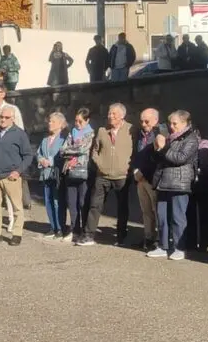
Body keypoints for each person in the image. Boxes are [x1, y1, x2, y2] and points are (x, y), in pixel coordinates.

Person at [148, 110, 200, 260]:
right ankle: (163, 246)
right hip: (163, 180)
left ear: (185, 123)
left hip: (180, 182)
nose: (171, 126)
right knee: (162, 216)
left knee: (178, 217)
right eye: (170, 123)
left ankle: (179, 247)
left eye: (175, 123)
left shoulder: (191, 138)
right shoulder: (169, 137)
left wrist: (163, 148)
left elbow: (180, 158)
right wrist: (157, 147)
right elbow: (157, 158)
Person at [0, 105, 34, 246]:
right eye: (1, 117)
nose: (3, 119)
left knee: (16, 207)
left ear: (13, 119)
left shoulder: (19, 134)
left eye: (6, 117)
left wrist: (18, 171)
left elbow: (28, 155)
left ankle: (17, 234)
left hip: (11, 176)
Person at [82, 103, 134, 246]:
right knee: (95, 205)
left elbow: (135, 151)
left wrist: (128, 167)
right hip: (102, 175)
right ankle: (88, 235)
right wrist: (100, 164)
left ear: (122, 115)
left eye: (114, 114)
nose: (110, 116)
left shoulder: (131, 130)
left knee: (122, 208)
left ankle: (121, 237)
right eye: (109, 113)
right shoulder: (102, 130)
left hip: (122, 176)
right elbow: (95, 150)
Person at [60, 108, 94, 242]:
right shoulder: (72, 132)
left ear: (87, 120)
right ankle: (74, 230)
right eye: (76, 121)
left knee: (82, 202)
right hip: (70, 171)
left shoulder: (90, 133)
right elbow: (62, 150)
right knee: (72, 203)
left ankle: (85, 230)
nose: (77, 124)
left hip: (83, 171)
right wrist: (72, 150)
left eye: (80, 121)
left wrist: (69, 150)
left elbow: (83, 148)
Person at [131, 109, 163, 250]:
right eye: (142, 121)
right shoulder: (139, 134)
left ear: (155, 120)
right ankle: (148, 237)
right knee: (146, 210)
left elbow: (157, 158)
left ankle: (160, 239)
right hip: (140, 179)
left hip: (152, 178)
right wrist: (135, 170)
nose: (143, 124)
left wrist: (143, 172)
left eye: (147, 121)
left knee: (157, 210)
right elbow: (136, 154)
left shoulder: (161, 133)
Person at [37, 112, 67, 239]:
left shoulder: (64, 139)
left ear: (60, 124)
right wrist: (41, 159)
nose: (49, 123)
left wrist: (51, 161)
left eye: (53, 121)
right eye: (49, 121)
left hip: (57, 175)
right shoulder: (45, 140)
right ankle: (53, 226)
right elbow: (38, 153)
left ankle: (60, 227)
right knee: (48, 201)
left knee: (57, 201)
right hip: (46, 174)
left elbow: (64, 155)